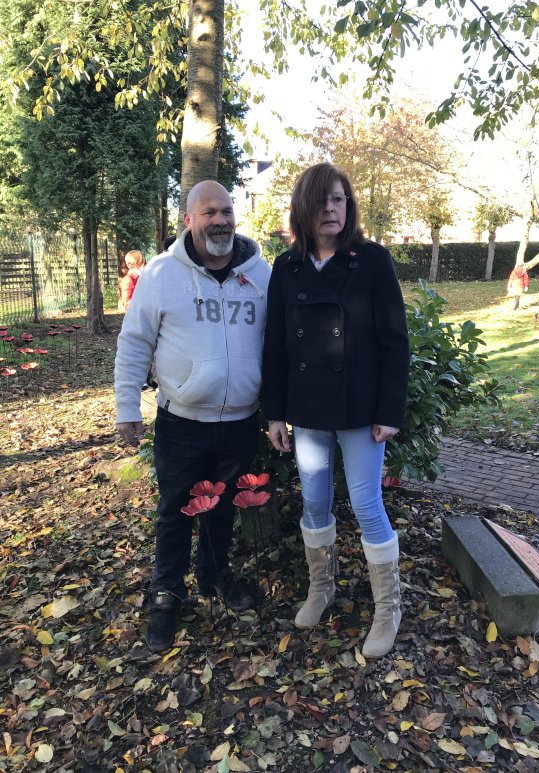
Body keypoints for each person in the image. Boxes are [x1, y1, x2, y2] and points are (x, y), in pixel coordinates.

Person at [114, 180, 271, 652]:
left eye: (226, 210)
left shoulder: (262, 275)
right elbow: (135, 342)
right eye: (208, 212)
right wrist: (126, 408)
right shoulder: (162, 276)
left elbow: (281, 345)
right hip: (181, 420)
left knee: (225, 507)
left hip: (241, 421)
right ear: (188, 220)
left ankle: (214, 575)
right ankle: (166, 594)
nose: (220, 219)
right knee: (175, 511)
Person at [263, 162, 409, 659]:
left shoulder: (372, 261)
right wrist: (275, 413)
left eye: (340, 199)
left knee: (367, 505)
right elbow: (277, 346)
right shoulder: (287, 267)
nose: (331, 208)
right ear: (304, 207)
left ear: (350, 208)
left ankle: (388, 606)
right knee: (314, 503)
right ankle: (321, 588)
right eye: (322, 200)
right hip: (307, 409)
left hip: (362, 409)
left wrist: (391, 408)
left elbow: (395, 341)